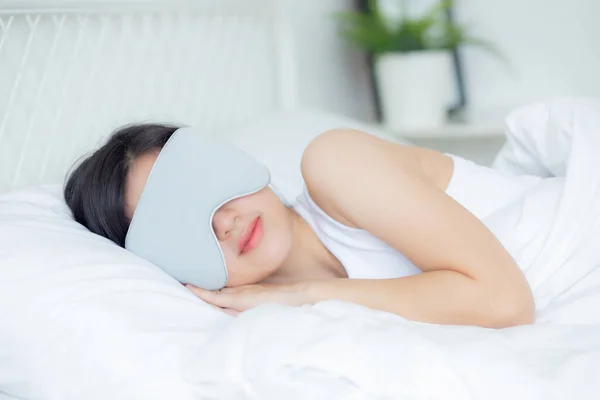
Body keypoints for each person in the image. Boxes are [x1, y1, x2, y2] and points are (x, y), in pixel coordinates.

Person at [64, 123, 538, 329]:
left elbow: (505, 301)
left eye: (201, 184)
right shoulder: (276, 327)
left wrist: (306, 293)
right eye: (177, 224)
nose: (224, 221)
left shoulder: (336, 162)